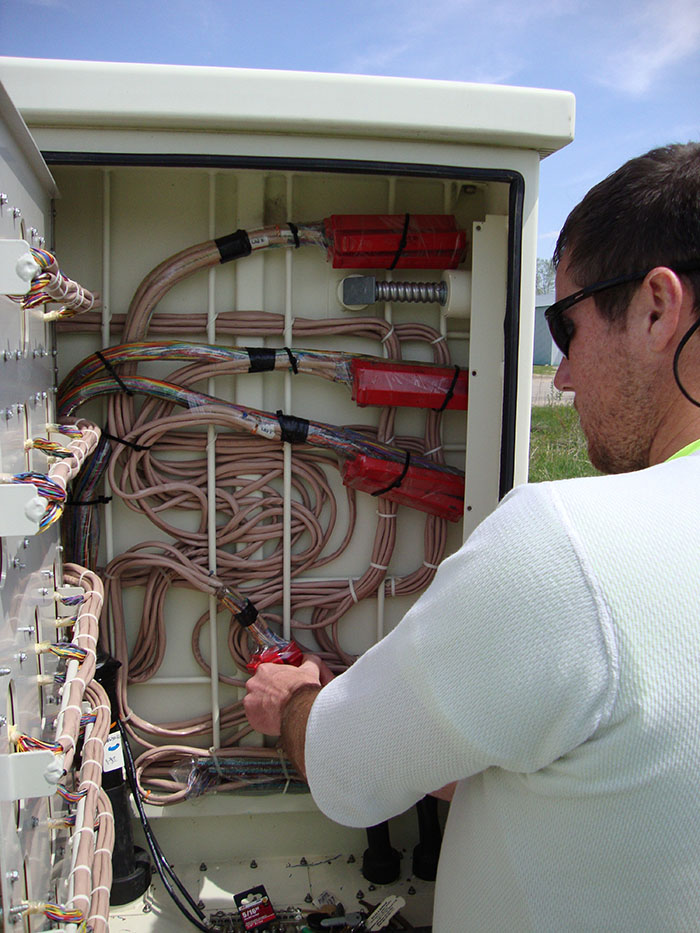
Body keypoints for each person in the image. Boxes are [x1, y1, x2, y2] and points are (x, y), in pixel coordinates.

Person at [244, 142, 700, 931]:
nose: (560, 373)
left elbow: (350, 772)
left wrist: (294, 703)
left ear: (658, 308)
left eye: (566, 323)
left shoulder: (571, 550)